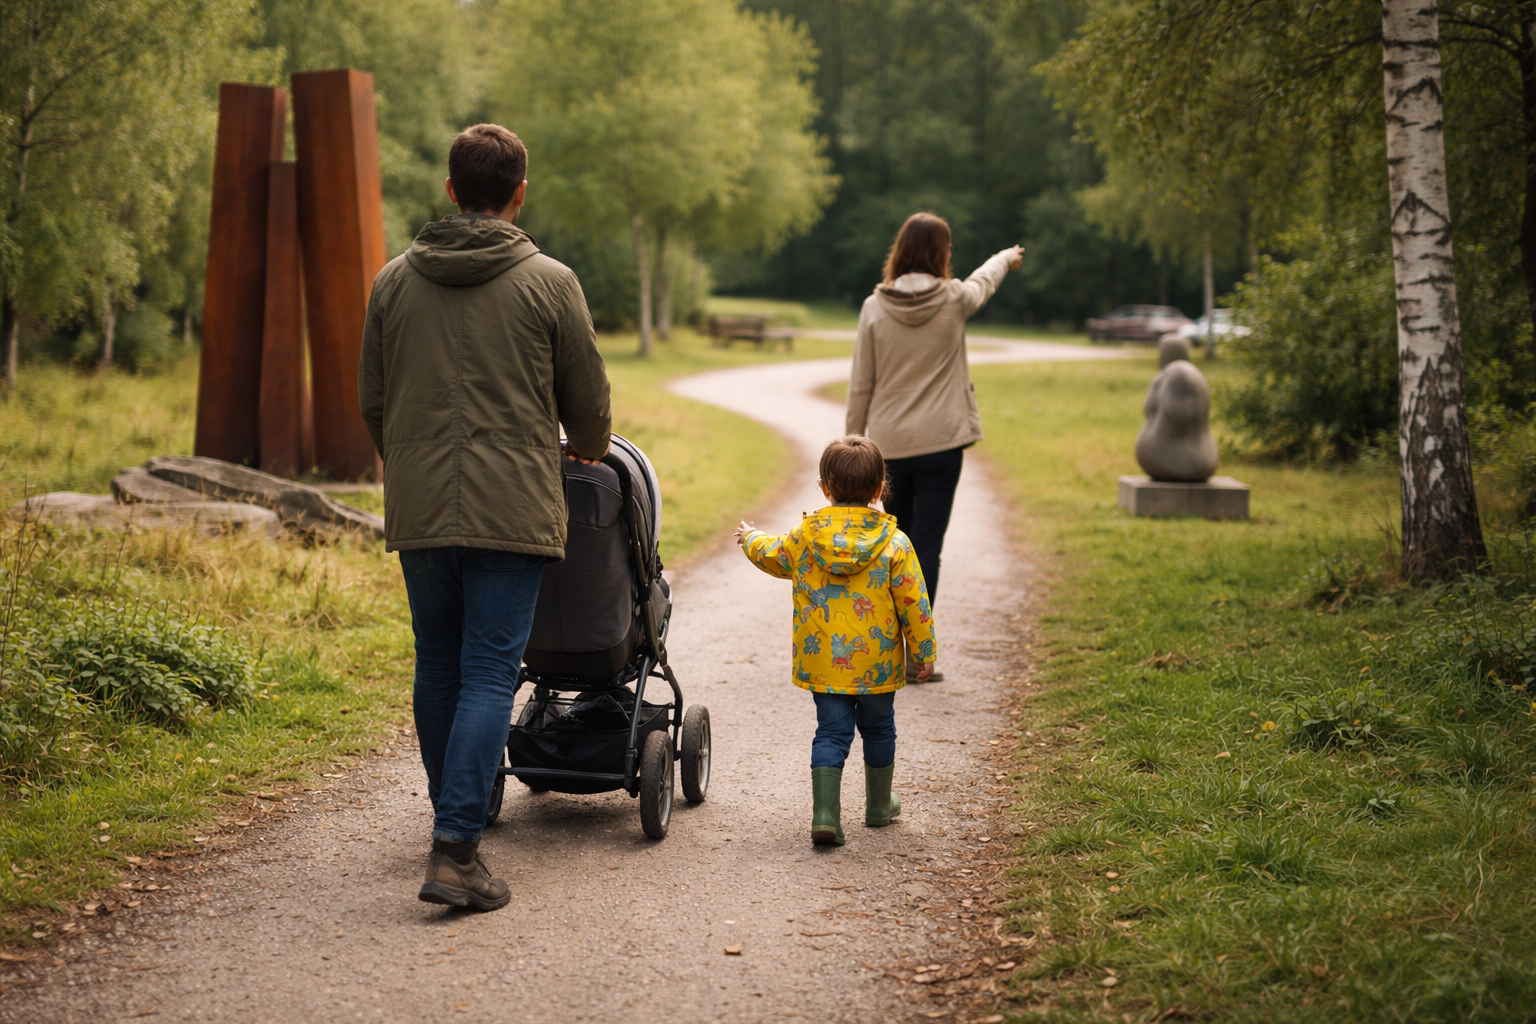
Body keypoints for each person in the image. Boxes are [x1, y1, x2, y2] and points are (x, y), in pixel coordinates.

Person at [359, 123, 611, 911]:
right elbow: (589, 409)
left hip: (423, 505)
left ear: (450, 190)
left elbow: (373, 400)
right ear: (519, 193)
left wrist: (410, 462)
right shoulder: (551, 282)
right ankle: (456, 848)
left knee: (437, 662)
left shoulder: (392, 283)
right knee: (488, 673)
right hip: (511, 507)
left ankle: (454, 821)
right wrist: (589, 447)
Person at [845, 213, 1024, 683]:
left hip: (888, 447)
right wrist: (1006, 256)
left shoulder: (873, 308)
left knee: (887, 546)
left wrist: (850, 444)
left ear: (900, 250)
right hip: (944, 444)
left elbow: (861, 383)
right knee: (926, 547)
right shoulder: (955, 300)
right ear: (941, 254)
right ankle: (915, 656)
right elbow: (985, 280)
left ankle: (880, 650)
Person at [735, 436, 937, 847]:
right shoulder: (895, 543)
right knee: (879, 729)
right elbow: (914, 600)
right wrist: (924, 653)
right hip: (876, 663)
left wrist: (750, 537)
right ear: (880, 489)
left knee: (830, 733)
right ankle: (879, 806)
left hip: (825, 663)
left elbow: (773, 554)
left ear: (824, 488)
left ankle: (825, 815)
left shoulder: (805, 538)